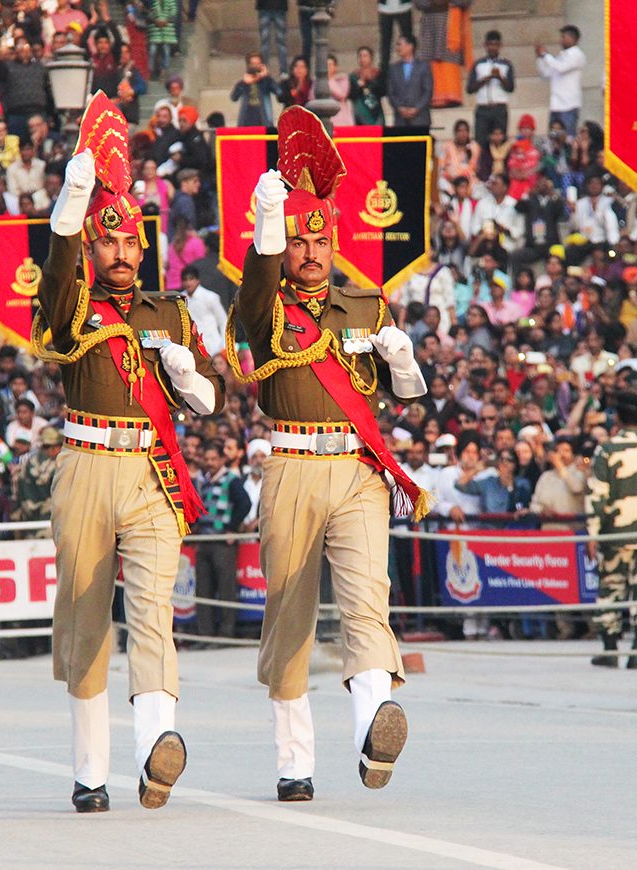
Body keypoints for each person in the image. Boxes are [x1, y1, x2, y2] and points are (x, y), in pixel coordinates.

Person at [32, 93, 225, 813]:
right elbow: (52, 296)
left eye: (131, 243)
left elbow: (217, 397)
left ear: (144, 247)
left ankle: (156, 746)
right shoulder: (74, 304)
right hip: (85, 464)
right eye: (107, 242)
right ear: (92, 244)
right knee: (85, 620)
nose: (121, 254)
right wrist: (69, 208)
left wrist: (190, 378)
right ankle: (90, 772)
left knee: (153, 611)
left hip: (150, 470)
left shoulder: (168, 310)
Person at [232, 106, 429, 802]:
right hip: (291, 465)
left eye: (320, 238)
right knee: (289, 615)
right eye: (296, 240)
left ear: (335, 239)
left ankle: (376, 728)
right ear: (282, 246)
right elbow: (255, 291)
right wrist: (263, 223)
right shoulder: (263, 313)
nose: (310, 251)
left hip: (356, 469)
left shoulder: (366, 308)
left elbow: (407, 395)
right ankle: (294, 762)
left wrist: (403, 362)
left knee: (366, 603)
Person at [586, 390, 637, 668]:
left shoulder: (607, 450)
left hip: (614, 535)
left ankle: (610, 649)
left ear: (617, 417)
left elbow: (597, 497)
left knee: (610, 590)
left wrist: (592, 534)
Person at [193, 441, 252, 640]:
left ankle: (226, 634)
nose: (210, 462)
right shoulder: (204, 481)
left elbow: (245, 503)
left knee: (226, 589)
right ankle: (205, 635)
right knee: (203, 590)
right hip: (204, 540)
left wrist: (231, 528)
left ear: (221, 459)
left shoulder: (231, 480)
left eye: (213, 459)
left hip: (222, 543)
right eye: (207, 459)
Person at [414, 0, 473, 108]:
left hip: (451, 22)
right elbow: (418, 3)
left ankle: (452, 97)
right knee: (430, 59)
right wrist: (434, 3)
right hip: (429, 24)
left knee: (449, 57)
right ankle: (433, 97)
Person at [535, 25, 586, 138]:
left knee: (567, 138)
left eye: (564, 37)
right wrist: (540, 58)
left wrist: (545, 55)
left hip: (568, 106)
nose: (560, 40)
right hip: (556, 105)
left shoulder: (577, 55)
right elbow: (546, 74)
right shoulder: (560, 56)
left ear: (573, 39)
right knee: (553, 138)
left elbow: (561, 68)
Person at [466, 29, 515, 146]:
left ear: (500, 46)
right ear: (485, 45)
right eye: (490, 45)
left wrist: (500, 77)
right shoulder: (478, 64)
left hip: (499, 108)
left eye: (495, 45)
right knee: (481, 142)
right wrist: (484, 80)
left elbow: (511, 88)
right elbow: (469, 89)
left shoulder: (506, 64)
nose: (493, 48)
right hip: (483, 108)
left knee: (500, 143)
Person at [15, 426, 63, 521]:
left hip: (31, 517)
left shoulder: (28, 462)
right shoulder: (56, 465)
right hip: (48, 517)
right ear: (53, 447)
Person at [180, 265, 228, 357]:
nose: (188, 283)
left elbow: (223, 321)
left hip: (214, 347)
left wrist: (224, 345)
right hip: (192, 348)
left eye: (191, 279)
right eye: (185, 280)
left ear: (198, 280)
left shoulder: (210, 297)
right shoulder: (180, 299)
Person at [386, 35, 433, 128]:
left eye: (400, 44)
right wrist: (399, 108)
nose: (398, 48)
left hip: (420, 119)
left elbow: (428, 91)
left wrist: (416, 108)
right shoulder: (393, 68)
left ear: (410, 46)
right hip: (401, 119)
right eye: (397, 45)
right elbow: (390, 92)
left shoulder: (424, 67)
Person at [231, 52, 280, 127]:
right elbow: (233, 97)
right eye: (253, 63)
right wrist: (244, 83)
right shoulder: (244, 82)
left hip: (263, 119)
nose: (255, 66)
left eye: (257, 63)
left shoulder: (266, 81)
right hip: (246, 119)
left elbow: (279, 92)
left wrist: (266, 76)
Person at [348, 46, 386, 126]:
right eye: (360, 56)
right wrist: (359, 85)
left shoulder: (378, 74)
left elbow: (383, 92)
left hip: (376, 112)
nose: (362, 59)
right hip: (361, 112)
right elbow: (351, 95)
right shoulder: (354, 76)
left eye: (365, 56)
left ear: (371, 58)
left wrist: (371, 82)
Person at [257, 0, 289, 78]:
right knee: (279, 42)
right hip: (275, 6)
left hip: (268, 6)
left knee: (266, 42)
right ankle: (282, 70)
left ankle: (282, 70)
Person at [147, 0, 178, 79]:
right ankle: (150, 70)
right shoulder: (153, 1)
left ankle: (163, 71)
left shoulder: (170, 1)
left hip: (166, 29)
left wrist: (166, 21)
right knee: (152, 51)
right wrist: (155, 20)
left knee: (166, 51)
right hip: (155, 29)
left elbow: (174, 12)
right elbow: (149, 12)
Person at [378, 0, 413, 68]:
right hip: (385, 9)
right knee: (385, 41)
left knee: (407, 39)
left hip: (404, 8)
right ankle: (384, 69)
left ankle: (410, 66)